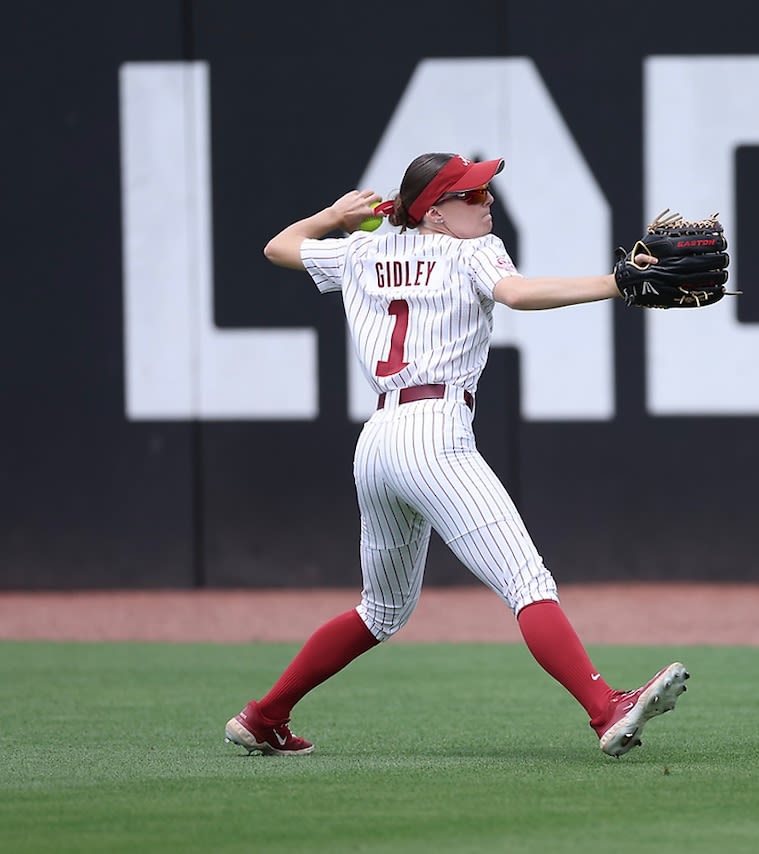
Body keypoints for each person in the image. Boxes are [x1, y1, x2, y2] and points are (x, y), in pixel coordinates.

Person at [224, 152, 689, 758]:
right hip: (433, 434)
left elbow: (278, 248)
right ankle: (607, 709)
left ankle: (264, 715)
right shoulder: (473, 253)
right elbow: (517, 295)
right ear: (436, 214)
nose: (488, 201)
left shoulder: (362, 252)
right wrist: (616, 282)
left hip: (379, 442)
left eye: (485, 190)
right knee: (527, 581)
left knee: (381, 612)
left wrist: (334, 214)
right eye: (471, 195)